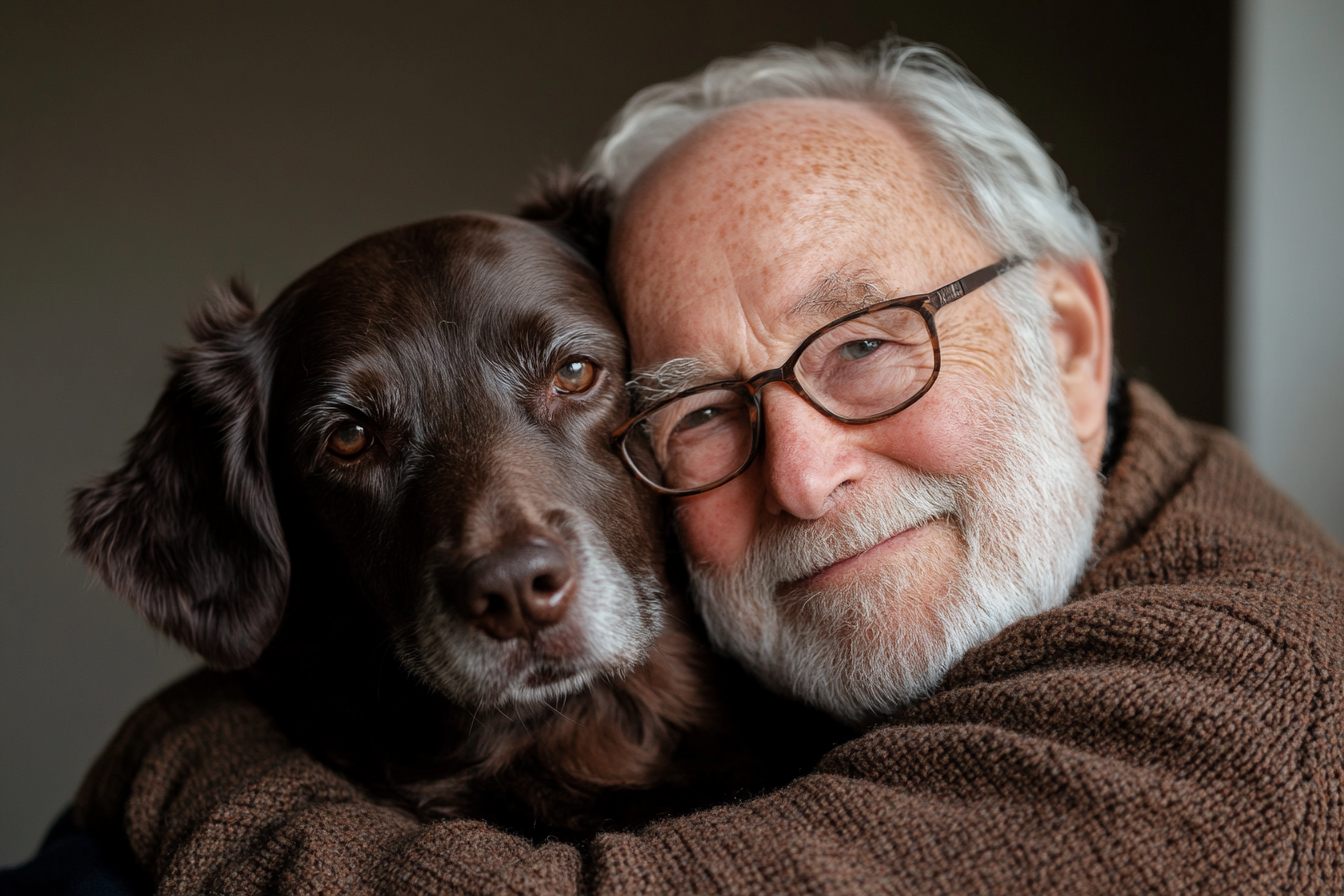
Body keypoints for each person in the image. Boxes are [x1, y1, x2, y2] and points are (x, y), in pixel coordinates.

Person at [27, 38, 1344, 894]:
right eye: (706, 404)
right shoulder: (806, 652)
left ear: (1062, 338)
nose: (807, 474)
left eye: (869, 344)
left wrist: (191, 765)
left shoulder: (1236, 704)